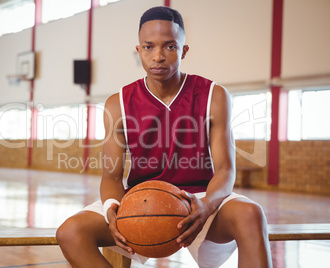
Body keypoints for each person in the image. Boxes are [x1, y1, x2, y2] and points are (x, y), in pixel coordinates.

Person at [57, 6, 273, 268]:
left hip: (200, 198)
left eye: (169, 46)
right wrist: (113, 207)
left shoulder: (213, 96)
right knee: (70, 232)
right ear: (139, 51)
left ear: (183, 50)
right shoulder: (118, 104)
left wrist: (207, 205)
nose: (158, 56)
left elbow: (226, 170)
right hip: (140, 203)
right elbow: (111, 176)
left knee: (251, 214)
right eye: (149, 47)